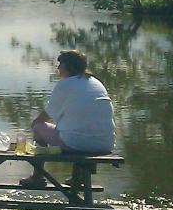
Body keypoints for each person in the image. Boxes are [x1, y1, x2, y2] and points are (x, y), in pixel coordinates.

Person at [19, 49, 116, 187]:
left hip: (78, 144)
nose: (58, 68)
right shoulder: (96, 82)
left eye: (61, 64)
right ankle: (78, 178)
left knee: (38, 127)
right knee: (77, 129)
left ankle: (37, 177)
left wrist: (35, 123)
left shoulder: (65, 85)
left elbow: (46, 116)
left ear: (69, 66)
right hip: (105, 144)